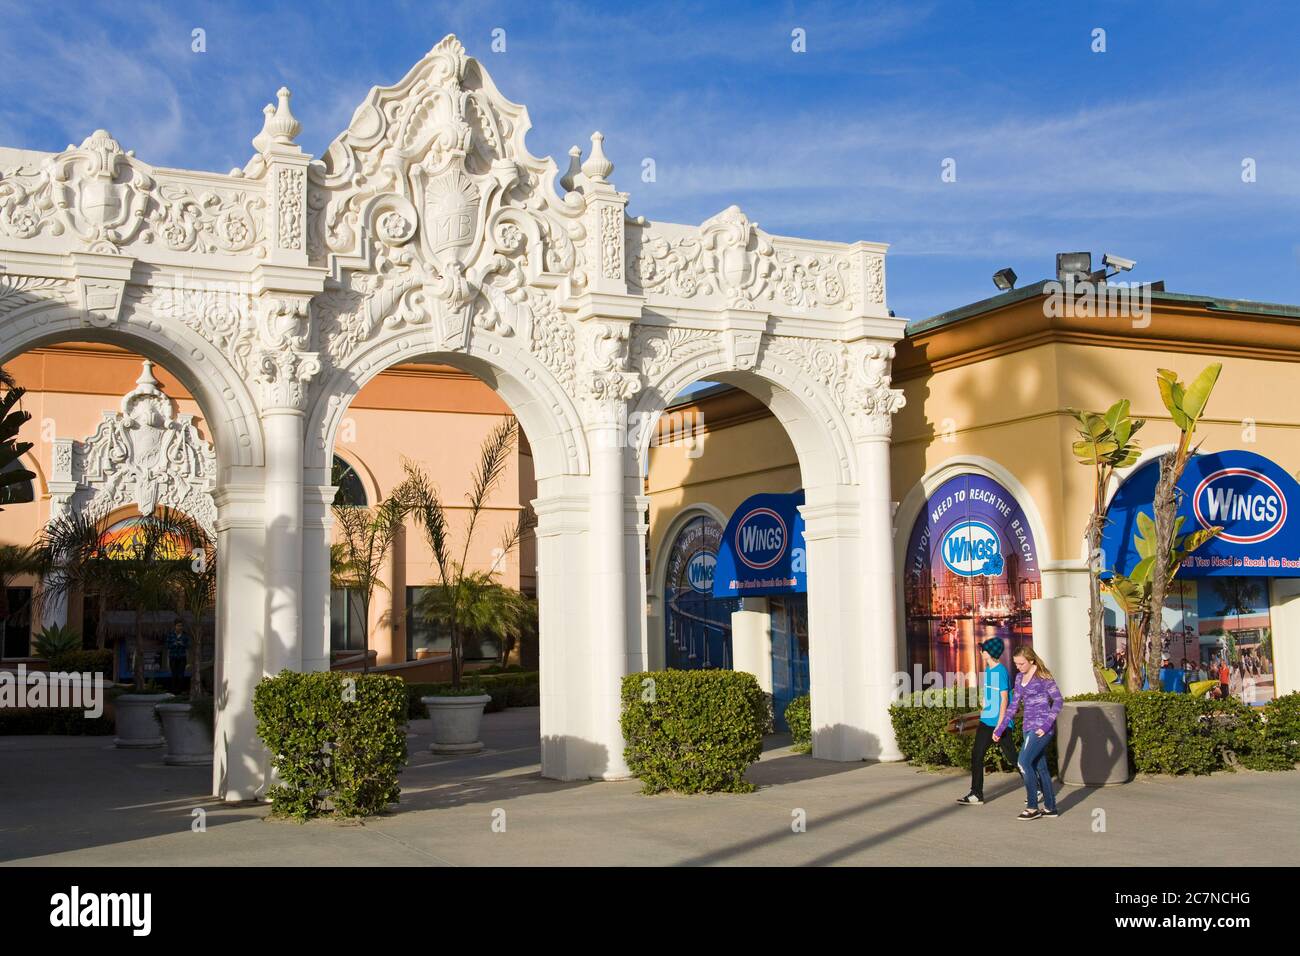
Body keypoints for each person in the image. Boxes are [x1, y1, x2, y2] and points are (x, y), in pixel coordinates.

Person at [995, 646, 1063, 820]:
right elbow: (1013, 706)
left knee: (1023, 762)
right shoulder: (1019, 678)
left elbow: (1058, 701)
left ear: (1031, 660)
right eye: (1016, 664)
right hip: (1027, 727)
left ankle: (1032, 807)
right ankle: (1050, 807)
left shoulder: (1043, 676)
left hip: (1042, 729)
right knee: (1041, 767)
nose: (1018, 667)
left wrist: (1047, 725)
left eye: (1021, 663)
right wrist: (1001, 728)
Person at [956, 638, 1018, 806]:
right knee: (977, 755)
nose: (981, 651)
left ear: (989, 652)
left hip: (999, 723)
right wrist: (984, 702)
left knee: (1013, 758)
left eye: (983, 649)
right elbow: (991, 694)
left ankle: (1038, 785)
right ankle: (976, 794)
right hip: (986, 720)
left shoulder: (1000, 672)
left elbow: (1004, 699)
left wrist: (1000, 725)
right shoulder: (989, 671)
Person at [165, 619, 191, 694]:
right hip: (173, 657)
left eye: (181, 626)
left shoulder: (185, 635)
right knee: (174, 674)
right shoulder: (170, 635)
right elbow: (167, 645)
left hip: (182, 657)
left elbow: (188, 645)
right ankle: (174, 691)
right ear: (175, 626)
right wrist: (174, 644)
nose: (180, 627)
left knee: (181, 675)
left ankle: (180, 691)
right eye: (178, 626)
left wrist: (182, 644)